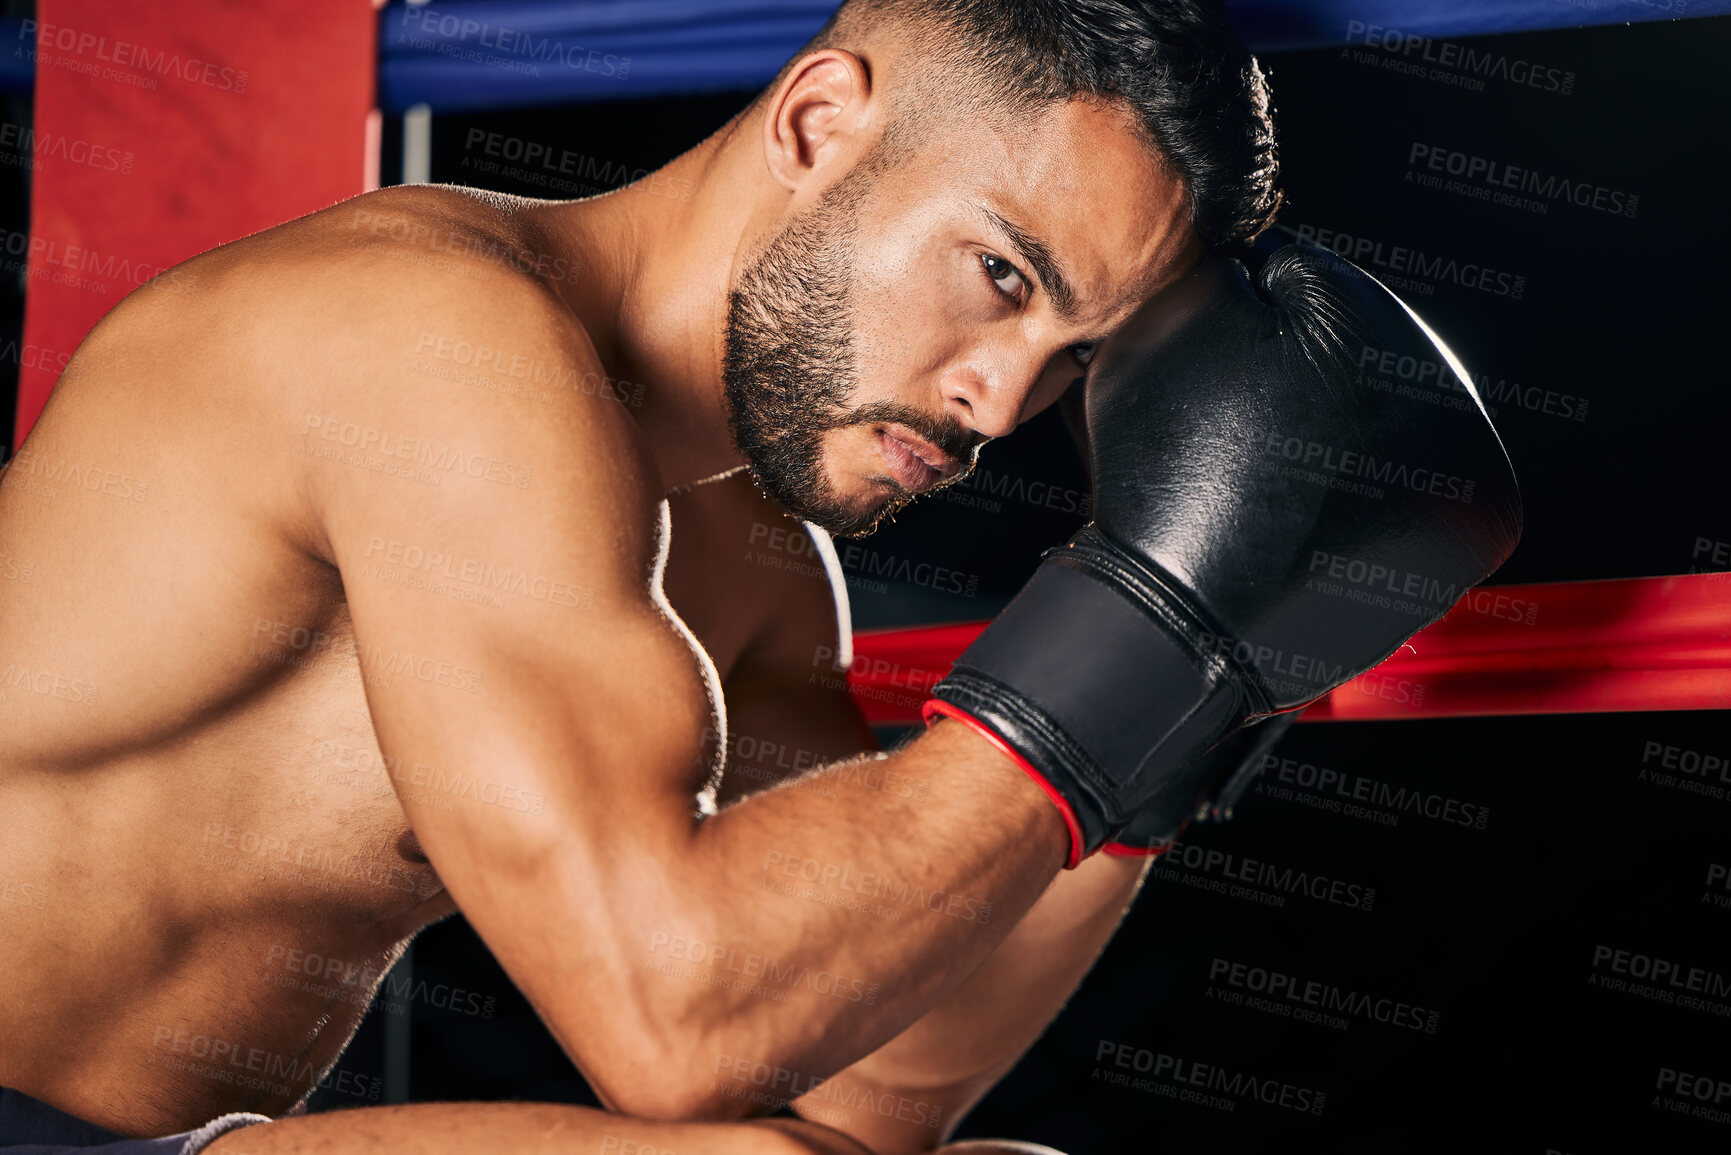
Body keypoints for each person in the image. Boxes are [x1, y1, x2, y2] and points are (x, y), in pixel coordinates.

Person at [0, 1, 1492, 1152]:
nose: (1000, 404)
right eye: (1003, 278)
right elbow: (672, 1015)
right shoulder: (420, 344)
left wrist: (1194, 690)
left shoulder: (753, 572)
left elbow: (865, 1089)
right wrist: (1134, 630)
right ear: (822, 119)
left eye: (1078, 358)